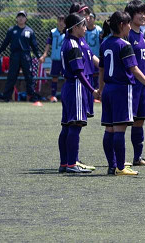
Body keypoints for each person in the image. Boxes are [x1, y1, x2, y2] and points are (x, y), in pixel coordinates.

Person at [98, 11, 145, 176]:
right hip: (121, 89)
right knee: (119, 130)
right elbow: (134, 69)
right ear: (122, 25)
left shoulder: (105, 44)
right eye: (128, 24)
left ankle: (112, 165)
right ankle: (121, 167)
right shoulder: (124, 45)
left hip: (108, 89)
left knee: (109, 129)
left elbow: (101, 69)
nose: (130, 27)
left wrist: (100, 89)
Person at [58, 13, 99, 174]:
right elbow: (79, 72)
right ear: (75, 28)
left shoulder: (67, 42)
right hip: (75, 86)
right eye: (82, 25)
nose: (85, 28)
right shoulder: (74, 46)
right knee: (75, 125)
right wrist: (92, 90)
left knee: (67, 126)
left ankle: (65, 163)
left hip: (68, 86)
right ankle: (71, 163)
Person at [124, 0, 145, 167]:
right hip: (130, 86)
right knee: (123, 122)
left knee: (140, 120)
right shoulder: (127, 35)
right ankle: (117, 158)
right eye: (139, 13)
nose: (144, 16)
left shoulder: (142, 34)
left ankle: (137, 157)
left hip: (142, 86)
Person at [0, 11, 43, 102]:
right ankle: (6, 97)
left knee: (29, 77)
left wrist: (39, 56)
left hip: (26, 56)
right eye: (19, 16)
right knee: (12, 76)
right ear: (16, 18)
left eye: (23, 16)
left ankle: (32, 97)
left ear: (26, 19)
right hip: (14, 56)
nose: (21, 18)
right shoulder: (12, 30)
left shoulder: (30, 31)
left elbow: (34, 45)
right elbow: (5, 42)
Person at [39, 15, 66, 102]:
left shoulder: (68, 33)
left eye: (63, 21)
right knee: (54, 77)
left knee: (67, 78)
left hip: (65, 60)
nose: (61, 23)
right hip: (56, 59)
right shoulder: (53, 32)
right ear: (57, 22)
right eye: (59, 21)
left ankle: (66, 95)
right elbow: (48, 44)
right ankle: (53, 96)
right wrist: (44, 54)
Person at [85, 11, 102, 91]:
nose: (89, 20)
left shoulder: (98, 30)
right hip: (86, 56)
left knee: (97, 73)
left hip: (96, 56)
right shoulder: (84, 30)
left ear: (94, 19)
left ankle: (97, 90)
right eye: (88, 18)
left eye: (91, 18)